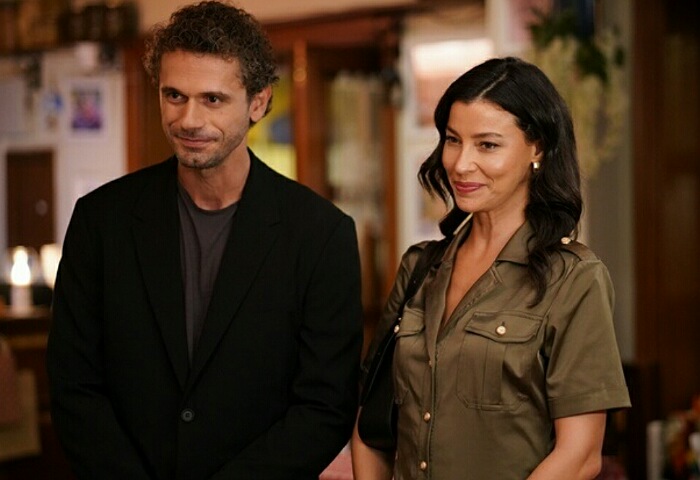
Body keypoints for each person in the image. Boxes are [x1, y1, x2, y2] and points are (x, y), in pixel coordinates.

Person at [47, 2, 363, 478]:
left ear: (258, 102)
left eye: (213, 99)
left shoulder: (320, 234)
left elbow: (324, 408)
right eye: (174, 95)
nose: (189, 119)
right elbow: (73, 386)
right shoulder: (101, 220)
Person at [351, 57, 631, 480]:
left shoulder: (574, 278)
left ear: (537, 148)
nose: (461, 163)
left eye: (487, 145)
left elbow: (579, 456)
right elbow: (371, 425)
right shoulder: (419, 266)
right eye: (453, 140)